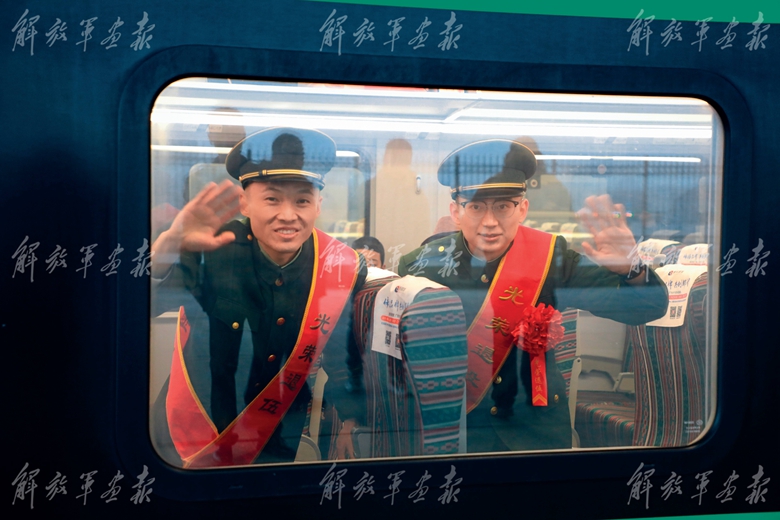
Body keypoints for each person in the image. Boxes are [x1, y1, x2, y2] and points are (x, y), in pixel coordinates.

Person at [397, 139, 668, 453]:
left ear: (522, 209)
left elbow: (646, 308)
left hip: (534, 434)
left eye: (503, 206)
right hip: (455, 433)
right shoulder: (420, 265)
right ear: (456, 212)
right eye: (476, 206)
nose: (490, 221)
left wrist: (633, 267)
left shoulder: (552, 257)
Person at [150, 128, 367, 467]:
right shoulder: (211, 247)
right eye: (272, 199)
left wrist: (350, 419)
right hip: (196, 426)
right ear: (244, 202)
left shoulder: (339, 265)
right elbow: (143, 304)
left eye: (302, 200)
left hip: (278, 430)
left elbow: (342, 351)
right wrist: (169, 244)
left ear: (318, 205)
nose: (288, 215)